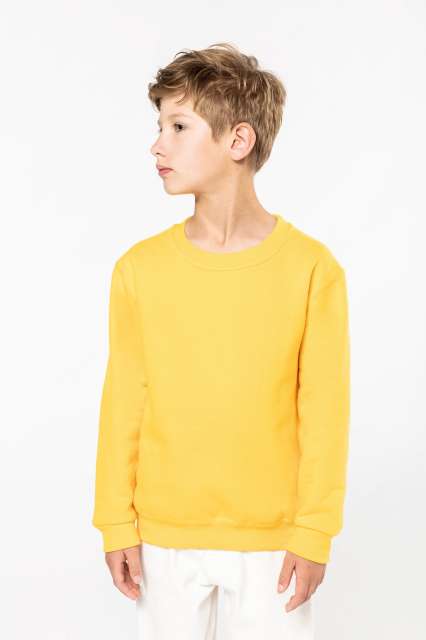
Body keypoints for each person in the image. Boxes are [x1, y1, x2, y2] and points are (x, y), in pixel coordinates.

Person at [92, 42, 351, 639]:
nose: (158, 145)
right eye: (159, 126)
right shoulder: (139, 270)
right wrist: (115, 521)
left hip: (272, 544)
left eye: (179, 126)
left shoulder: (312, 270)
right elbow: (124, 401)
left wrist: (314, 531)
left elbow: (324, 413)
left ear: (238, 140)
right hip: (162, 538)